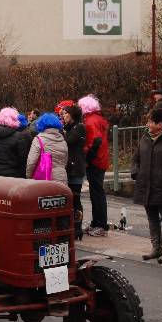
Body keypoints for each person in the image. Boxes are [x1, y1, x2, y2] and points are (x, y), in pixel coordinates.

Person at [132, 108, 162, 264]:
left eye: (150, 121)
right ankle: (156, 248)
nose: (147, 123)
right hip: (145, 185)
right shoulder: (145, 137)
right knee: (152, 218)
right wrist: (136, 172)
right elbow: (136, 158)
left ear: (160, 124)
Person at [78, 95, 109, 236]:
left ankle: (100, 224)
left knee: (96, 193)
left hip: (95, 160)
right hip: (100, 159)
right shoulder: (98, 119)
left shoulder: (90, 121)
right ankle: (97, 222)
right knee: (96, 192)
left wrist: (89, 156)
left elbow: (95, 140)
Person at [62, 105, 87, 240]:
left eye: (66, 113)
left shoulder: (79, 127)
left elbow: (68, 142)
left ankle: (77, 228)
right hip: (67, 168)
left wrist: (62, 132)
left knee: (75, 199)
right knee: (67, 199)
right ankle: (68, 226)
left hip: (76, 168)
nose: (63, 116)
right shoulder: (67, 127)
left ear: (72, 115)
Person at [26, 113, 68, 184]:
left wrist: (28, 176)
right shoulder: (63, 140)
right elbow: (65, 161)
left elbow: (31, 162)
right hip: (61, 178)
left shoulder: (39, 139)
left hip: (44, 179)